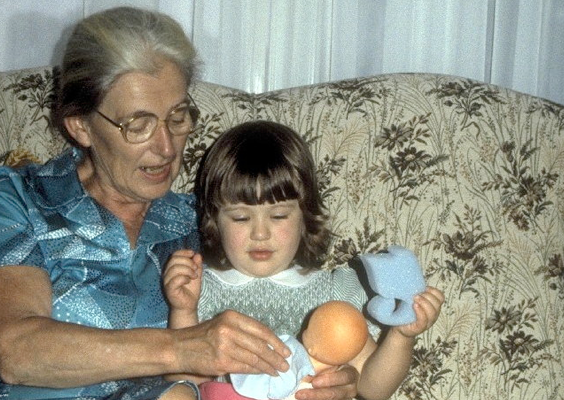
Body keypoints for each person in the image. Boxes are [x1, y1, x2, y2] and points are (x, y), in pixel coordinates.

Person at [0, 7, 299, 400]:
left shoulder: (205, 220)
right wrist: (182, 348)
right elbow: (17, 352)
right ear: (81, 126)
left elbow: (262, 325)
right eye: (138, 125)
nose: (166, 147)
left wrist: (315, 373)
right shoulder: (19, 197)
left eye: (178, 117)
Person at [163, 121, 445, 400]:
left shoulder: (333, 292)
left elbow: (373, 388)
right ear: (214, 222)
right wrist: (184, 309)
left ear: (305, 218)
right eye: (241, 217)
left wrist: (401, 336)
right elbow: (186, 382)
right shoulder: (202, 291)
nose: (260, 233)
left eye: (278, 216)